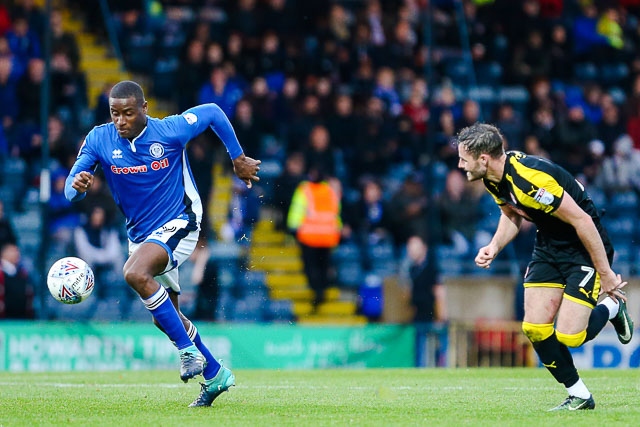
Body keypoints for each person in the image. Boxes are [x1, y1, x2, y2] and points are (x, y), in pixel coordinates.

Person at [64, 80, 261, 407]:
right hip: (141, 236)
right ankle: (214, 374)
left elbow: (212, 112)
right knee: (164, 316)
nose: (121, 120)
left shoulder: (169, 131)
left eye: (128, 112)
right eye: (115, 113)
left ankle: (188, 355)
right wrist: (79, 184)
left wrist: (237, 157)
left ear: (144, 109)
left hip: (182, 220)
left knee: (134, 272)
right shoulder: (99, 138)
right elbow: (71, 189)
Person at [456, 122, 633, 411]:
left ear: (483, 158)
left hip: (582, 246)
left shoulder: (530, 181)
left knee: (570, 335)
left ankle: (612, 307)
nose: (460, 164)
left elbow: (583, 221)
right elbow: (511, 213)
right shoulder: (492, 178)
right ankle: (580, 396)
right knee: (535, 328)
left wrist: (606, 274)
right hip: (549, 244)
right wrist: (494, 246)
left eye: (464, 158)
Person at [287, 164, 341, 310]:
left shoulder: (304, 189)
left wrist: (292, 228)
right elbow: (336, 212)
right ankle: (321, 292)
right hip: (328, 237)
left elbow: (297, 210)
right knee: (323, 267)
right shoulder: (330, 190)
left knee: (311, 268)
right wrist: (338, 230)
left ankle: (317, 292)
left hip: (309, 237)